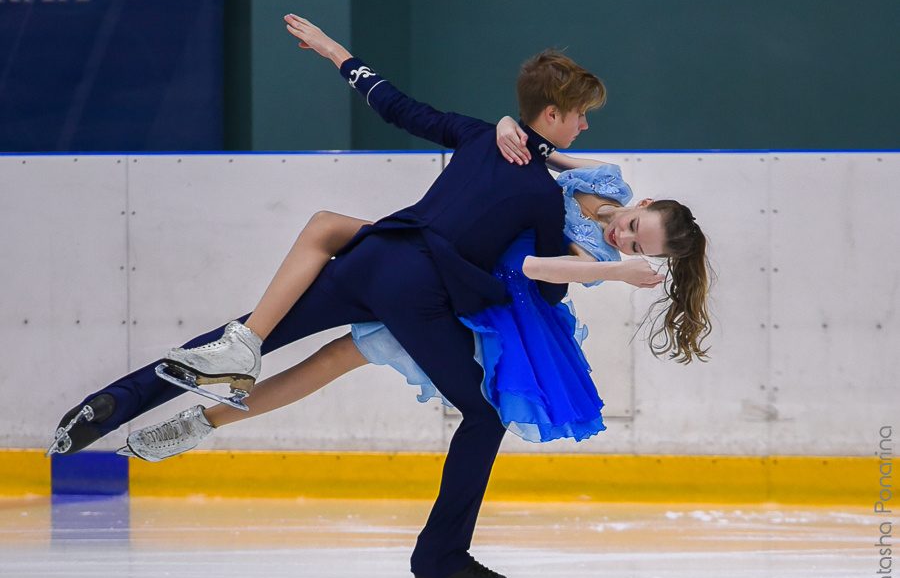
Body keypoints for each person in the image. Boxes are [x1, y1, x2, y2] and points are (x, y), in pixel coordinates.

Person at [46, 14, 625, 578]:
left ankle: (116, 403)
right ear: (552, 114)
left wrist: (335, 52)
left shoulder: (480, 135)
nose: (584, 126)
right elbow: (550, 291)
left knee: (246, 336)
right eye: (580, 116)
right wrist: (593, 256)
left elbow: (396, 105)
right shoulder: (540, 196)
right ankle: (441, 556)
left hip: (374, 254)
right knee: (483, 417)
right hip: (419, 290)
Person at [121, 153, 711, 459]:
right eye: (635, 227)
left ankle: (201, 422)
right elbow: (536, 155)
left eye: (637, 248)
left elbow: (532, 268)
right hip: (442, 241)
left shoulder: (596, 258)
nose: (623, 239)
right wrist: (508, 127)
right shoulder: (609, 179)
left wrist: (613, 268)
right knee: (331, 229)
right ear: (644, 201)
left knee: (335, 358)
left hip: (475, 297)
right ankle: (244, 342)